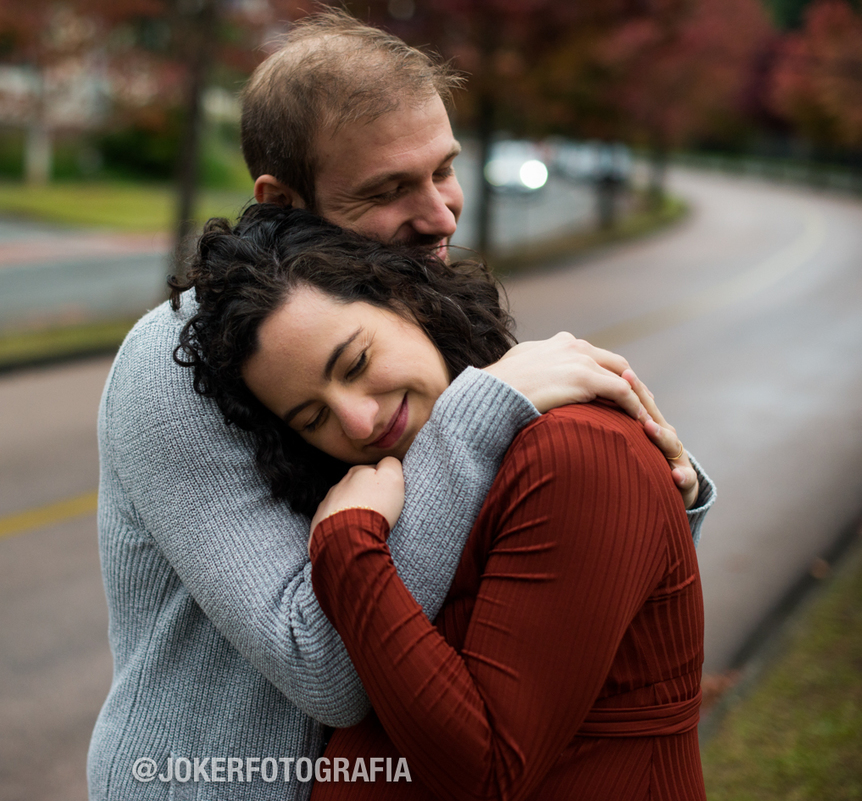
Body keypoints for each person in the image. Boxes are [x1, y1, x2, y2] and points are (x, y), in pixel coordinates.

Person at [88, 10, 714, 800]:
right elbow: (325, 666)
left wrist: (664, 492)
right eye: (389, 189)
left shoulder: (403, 303)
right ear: (281, 201)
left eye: (443, 169)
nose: (442, 213)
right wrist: (479, 415)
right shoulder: (186, 356)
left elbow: (518, 565)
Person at [175, 202, 705, 800]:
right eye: (313, 416)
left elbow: (488, 772)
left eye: (356, 362)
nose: (357, 421)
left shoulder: (573, 449)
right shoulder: (404, 485)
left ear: (407, 297)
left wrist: (348, 549)